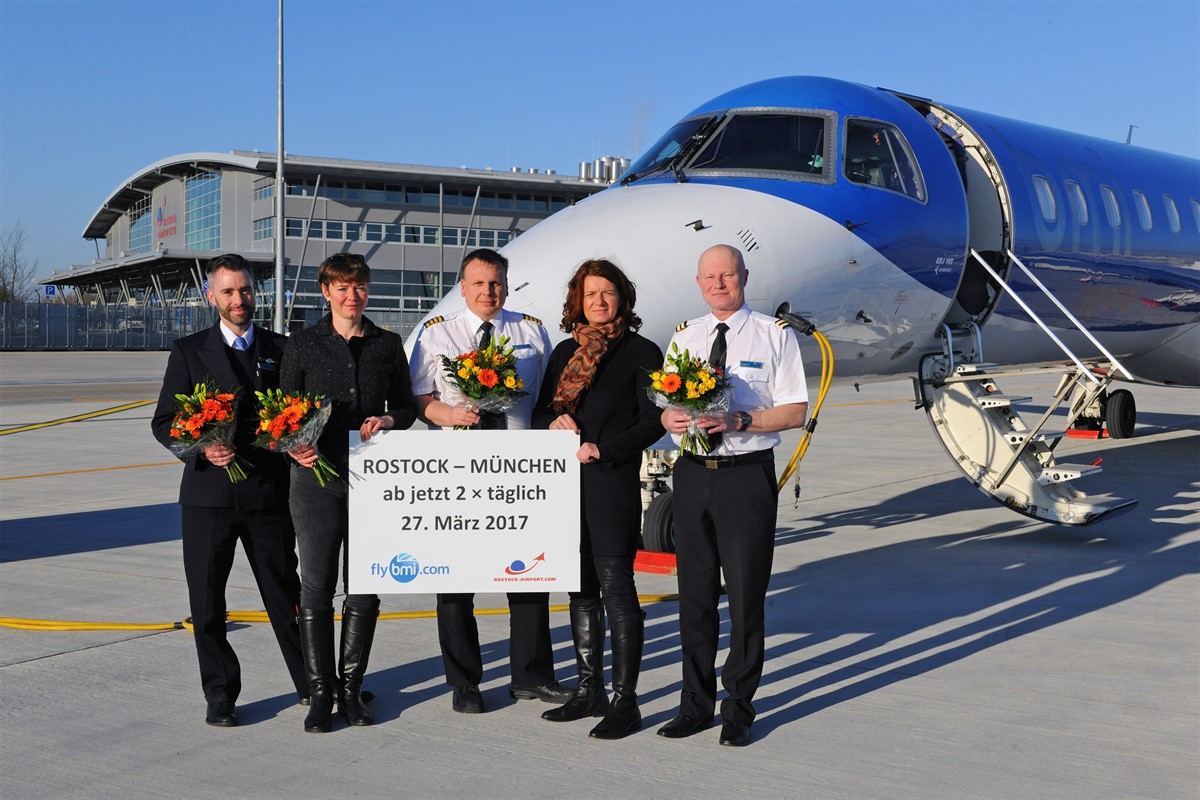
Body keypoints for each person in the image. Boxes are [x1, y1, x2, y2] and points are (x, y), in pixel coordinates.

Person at [407, 247, 571, 714]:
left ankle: (531, 676)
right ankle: (464, 682)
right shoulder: (437, 334)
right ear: (463, 287)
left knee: (529, 573)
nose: (488, 291)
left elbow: (545, 399)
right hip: (460, 468)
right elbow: (419, 397)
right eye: (478, 283)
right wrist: (450, 413)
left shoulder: (532, 332)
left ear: (507, 283)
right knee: (456, 579)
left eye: (496, 282)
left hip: (518, 466)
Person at [657, 243, 808, 747]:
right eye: (710, 276)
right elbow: (666, 404)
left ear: (744, 276)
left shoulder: (774, 336)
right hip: (693, 473)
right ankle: (694, 705)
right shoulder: (685, 337)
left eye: (728, 274)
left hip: (746, 476)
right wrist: (668, 418)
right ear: (698, 283)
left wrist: (740, 419)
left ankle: (738, 707)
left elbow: (794, 411)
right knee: (694, 598)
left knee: (746, 598)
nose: (719, 283)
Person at [150, 253, 308, 728]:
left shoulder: (284, 349)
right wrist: (200, 448)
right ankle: (220, 695)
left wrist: (297, 439)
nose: (239, 300)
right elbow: (165, 422)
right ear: (211, 296)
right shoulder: (188, 351)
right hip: (208, 499)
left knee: (287, 598)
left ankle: (314, 684)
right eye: (228, 292)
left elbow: (298, 411)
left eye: (245, 290)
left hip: (268, 495)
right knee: (207, 603)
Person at [280, 252, 417, 733]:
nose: (351, 296)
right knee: (316, 587)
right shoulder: (302, 343)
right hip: (315, 479)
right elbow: (283, 411)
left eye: (358, 287)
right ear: (326, 291)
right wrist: (292, 446)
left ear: (367, 291)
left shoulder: (386, 344)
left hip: (370, 478)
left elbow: (405, 405)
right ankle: (321, 692)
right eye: (341, 288)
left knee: (363, 586)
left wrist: (389, 418)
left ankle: (352, 688)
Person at [532, 259, 664, 739]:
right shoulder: (566, 350)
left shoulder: (642, 351)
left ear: (622, 297)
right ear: (578, 301)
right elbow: (543, 409)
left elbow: (654, 421)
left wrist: (604, 449)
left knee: (616, 589)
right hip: (564, 488)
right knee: (581, 589)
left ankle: (626, 703)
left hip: (610, 483)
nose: (600, 301)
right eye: (590, 294)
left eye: (607, 292)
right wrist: (552, 422)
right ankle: (590, 689)